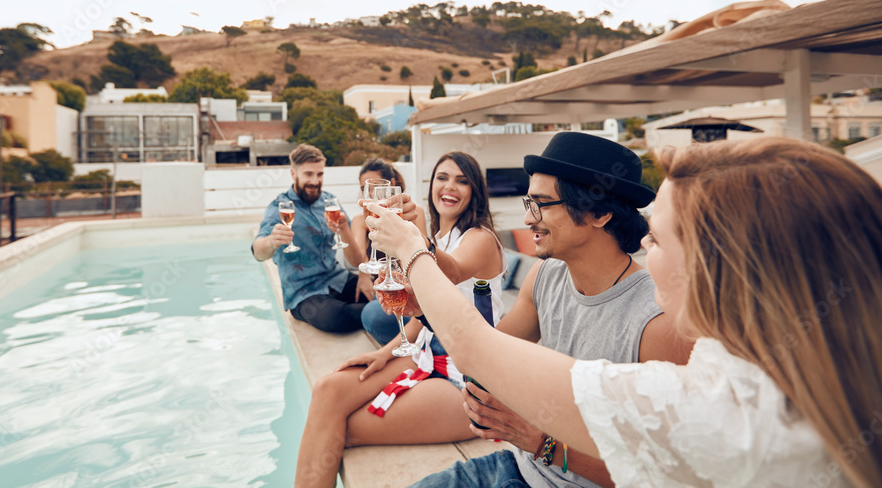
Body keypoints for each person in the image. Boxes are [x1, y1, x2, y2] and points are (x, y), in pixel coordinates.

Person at [370, 137, 882, 488]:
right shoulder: (744, 368)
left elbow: (478, 347)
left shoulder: (710, 394)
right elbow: (489, 356)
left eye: (656, 238)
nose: (643, 245)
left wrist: (414, 253)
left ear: (718, 269)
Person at [294, 151, 507, 488]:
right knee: (328, 391)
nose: (450, 187)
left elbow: (449, 271)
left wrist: (411, 236)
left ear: (475, 191)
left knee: (340, 428)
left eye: (462, 181)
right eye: (443, 178)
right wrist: (387, 351)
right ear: (431, 185)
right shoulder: (440, 237)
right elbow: (427, 315)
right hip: (424, 352)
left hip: (465, 374)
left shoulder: (480, 239)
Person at [252, 144, 373, 333]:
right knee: (336, 319)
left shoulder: (329, 201)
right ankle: (377, 314)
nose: (315, 181)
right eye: (308, 174)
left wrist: (343, 231)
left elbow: (355, 259)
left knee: (381, 295)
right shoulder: (279, 207)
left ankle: (377, 312)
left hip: (336, 278)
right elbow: (258, 252)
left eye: (320, 174)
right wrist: (271, 241)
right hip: (303, 293)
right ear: (293, 174)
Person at [327, 158, 426, 344]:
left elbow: (423, 257)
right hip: (378, 290)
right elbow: (357, 260)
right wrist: (344, 230)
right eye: (364, 188)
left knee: (370, 315)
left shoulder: (412, 212)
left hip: (407, 290)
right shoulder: (361, 219)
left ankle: (414, 341)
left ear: (391, 184)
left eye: (373, 187)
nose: (368, 193)